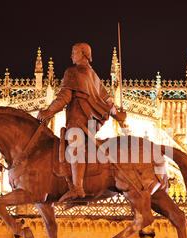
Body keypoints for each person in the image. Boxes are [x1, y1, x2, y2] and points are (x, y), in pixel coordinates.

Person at [37, 42, 126, 202]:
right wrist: (117, 115)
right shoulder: (93, 75)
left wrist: (49, 111)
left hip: (79, 121)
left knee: (74, 142)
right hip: (91, 121)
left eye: (74, 52)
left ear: (83, 54)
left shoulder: (73, 72)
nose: (71, 55)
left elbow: (64, 96)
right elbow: (107, 99)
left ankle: (77, 188)